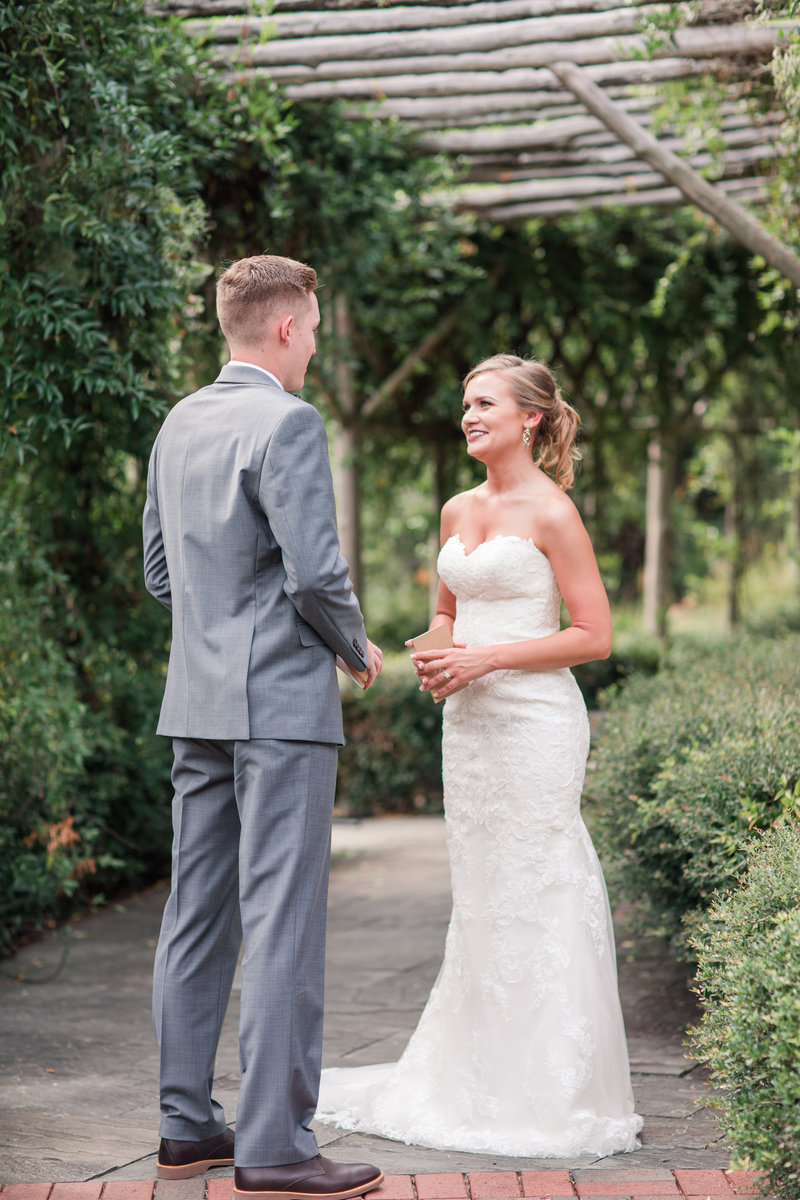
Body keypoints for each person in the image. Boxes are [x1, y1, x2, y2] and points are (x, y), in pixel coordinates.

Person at [315, 353, 643, 1158]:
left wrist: (485, 660)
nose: (469, 415)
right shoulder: (455, 508)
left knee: (538, 882)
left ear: (530, 418)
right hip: (467, 727)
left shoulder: (555, 512)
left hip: (536, 726)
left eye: (485, 403)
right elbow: (445, 610)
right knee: (485, 894)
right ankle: (474, 1071)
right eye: (465, 403)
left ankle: (548, 1089)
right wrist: (437, 652)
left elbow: (593, 636)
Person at [143, 254, 385, 1199]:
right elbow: (315, 573)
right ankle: (278, 1146)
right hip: (280, 706)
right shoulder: (289, 421)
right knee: (282, 918)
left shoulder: (177, 422)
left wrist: (215, 632)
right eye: (315, 327)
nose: (317, 342)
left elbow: (163, 574)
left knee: (194, 915)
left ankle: (184, 1126)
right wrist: (356, 648)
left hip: (195, 702)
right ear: (285, 327)